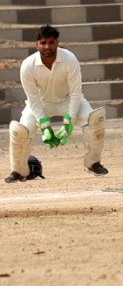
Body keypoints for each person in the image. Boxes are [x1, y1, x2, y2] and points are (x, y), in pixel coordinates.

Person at [6, 25, 108, 183]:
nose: (47, 47)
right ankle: (18, 170)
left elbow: (76, 93)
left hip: (68, 100)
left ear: (57, 43)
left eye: (51, 42)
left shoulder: (69, 59)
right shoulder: (28, 65)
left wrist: (69, 123)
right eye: (43, 43)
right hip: (41, 103)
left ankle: (93, 163)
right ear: (37, 44)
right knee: (20, 131)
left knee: (94, 120)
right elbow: (32, 98)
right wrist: (45, 126)